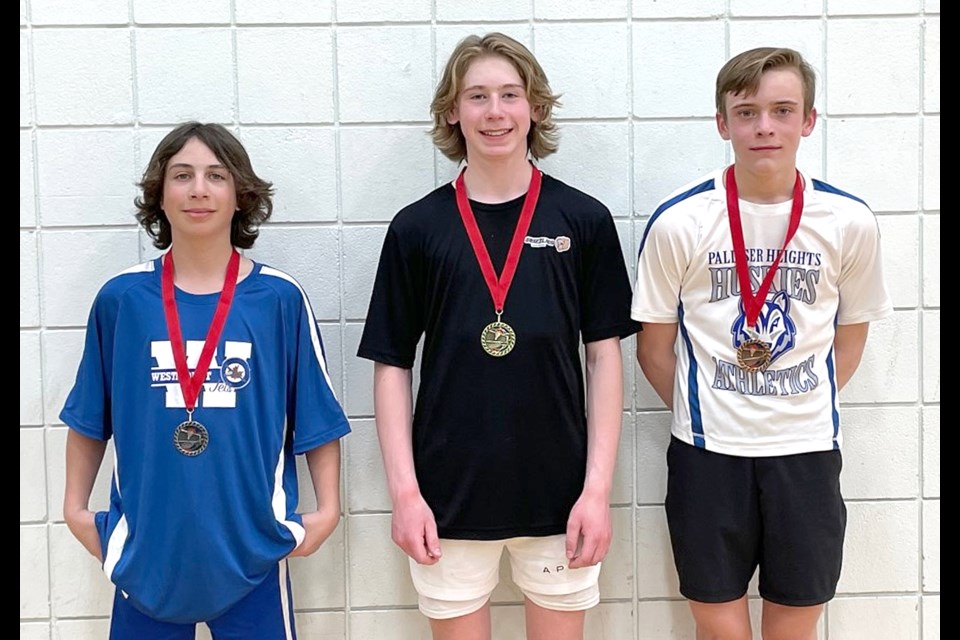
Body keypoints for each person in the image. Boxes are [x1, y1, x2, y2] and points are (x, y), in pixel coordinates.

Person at [357, 33, 638, 640]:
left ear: (535, 107)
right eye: (477, 96)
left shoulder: (583, 220)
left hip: (561, 495)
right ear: (452, 111)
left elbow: (604, 359)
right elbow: (391, 367)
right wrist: (405, 494)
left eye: (510, 94)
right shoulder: (417, 227)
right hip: (447, 496)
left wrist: (596, 491)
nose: (494, 112)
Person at [632, 47, 892, 639]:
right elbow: (653, 348)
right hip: (706, 451)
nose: (764, 127)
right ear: (723, 123)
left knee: (795, 623)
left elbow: (849, 343)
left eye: (782, 110)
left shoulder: (847, 221)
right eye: (747, 112)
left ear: (808, 120)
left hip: (805, 450)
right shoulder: (680, 222)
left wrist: (786, 404)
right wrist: (717, 407)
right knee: (719, 625)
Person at [61, 122, 350, 640]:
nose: (198, 189)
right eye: (182, 175)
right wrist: (75, 510)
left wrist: (327, 510)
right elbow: (88, 416)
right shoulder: (122, 300)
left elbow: (315, 418)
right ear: (160, 195)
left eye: (216, 175)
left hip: (251, 550)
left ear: (241, 194)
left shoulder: (279, 300)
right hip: (144, 551)